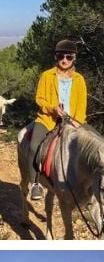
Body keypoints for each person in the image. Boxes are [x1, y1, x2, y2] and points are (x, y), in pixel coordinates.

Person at [27, 39, 88, 201]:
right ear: (56, 57)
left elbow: (82, 104)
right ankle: (35, 184)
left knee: (97, 145)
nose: (65, 60)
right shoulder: (47, 75)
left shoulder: (79, 79)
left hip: (74, 121)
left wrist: (77, 121)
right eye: (61, 56)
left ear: (74, 58)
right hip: (48, 119)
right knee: (34, 147)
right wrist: (52, 108)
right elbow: (39, 98)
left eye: (69, 57)